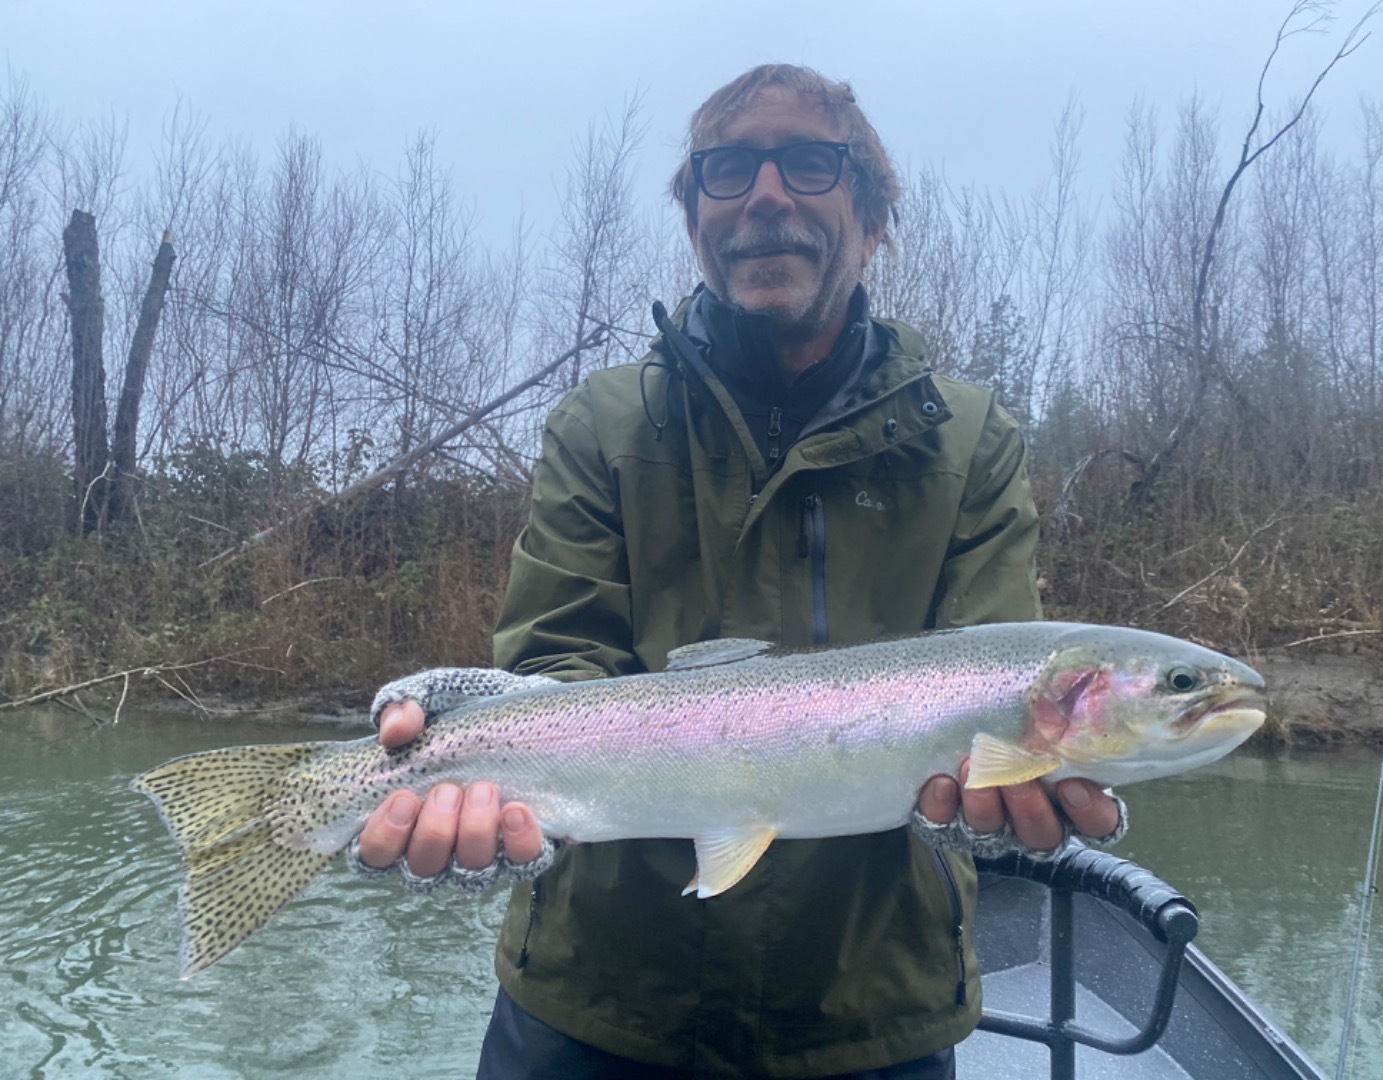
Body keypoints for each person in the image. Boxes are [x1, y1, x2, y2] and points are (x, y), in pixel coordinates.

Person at [354, 64, 1124, 1080]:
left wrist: (1044, 792)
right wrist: (483, 749)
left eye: (808, 162)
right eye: (728, 171)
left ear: (874, 218)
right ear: (696, 225)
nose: (766, 194)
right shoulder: (602, 424)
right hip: (596, 1006)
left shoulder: (972, 443)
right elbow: (560, 663)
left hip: (874, 1013)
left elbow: (996, 678)